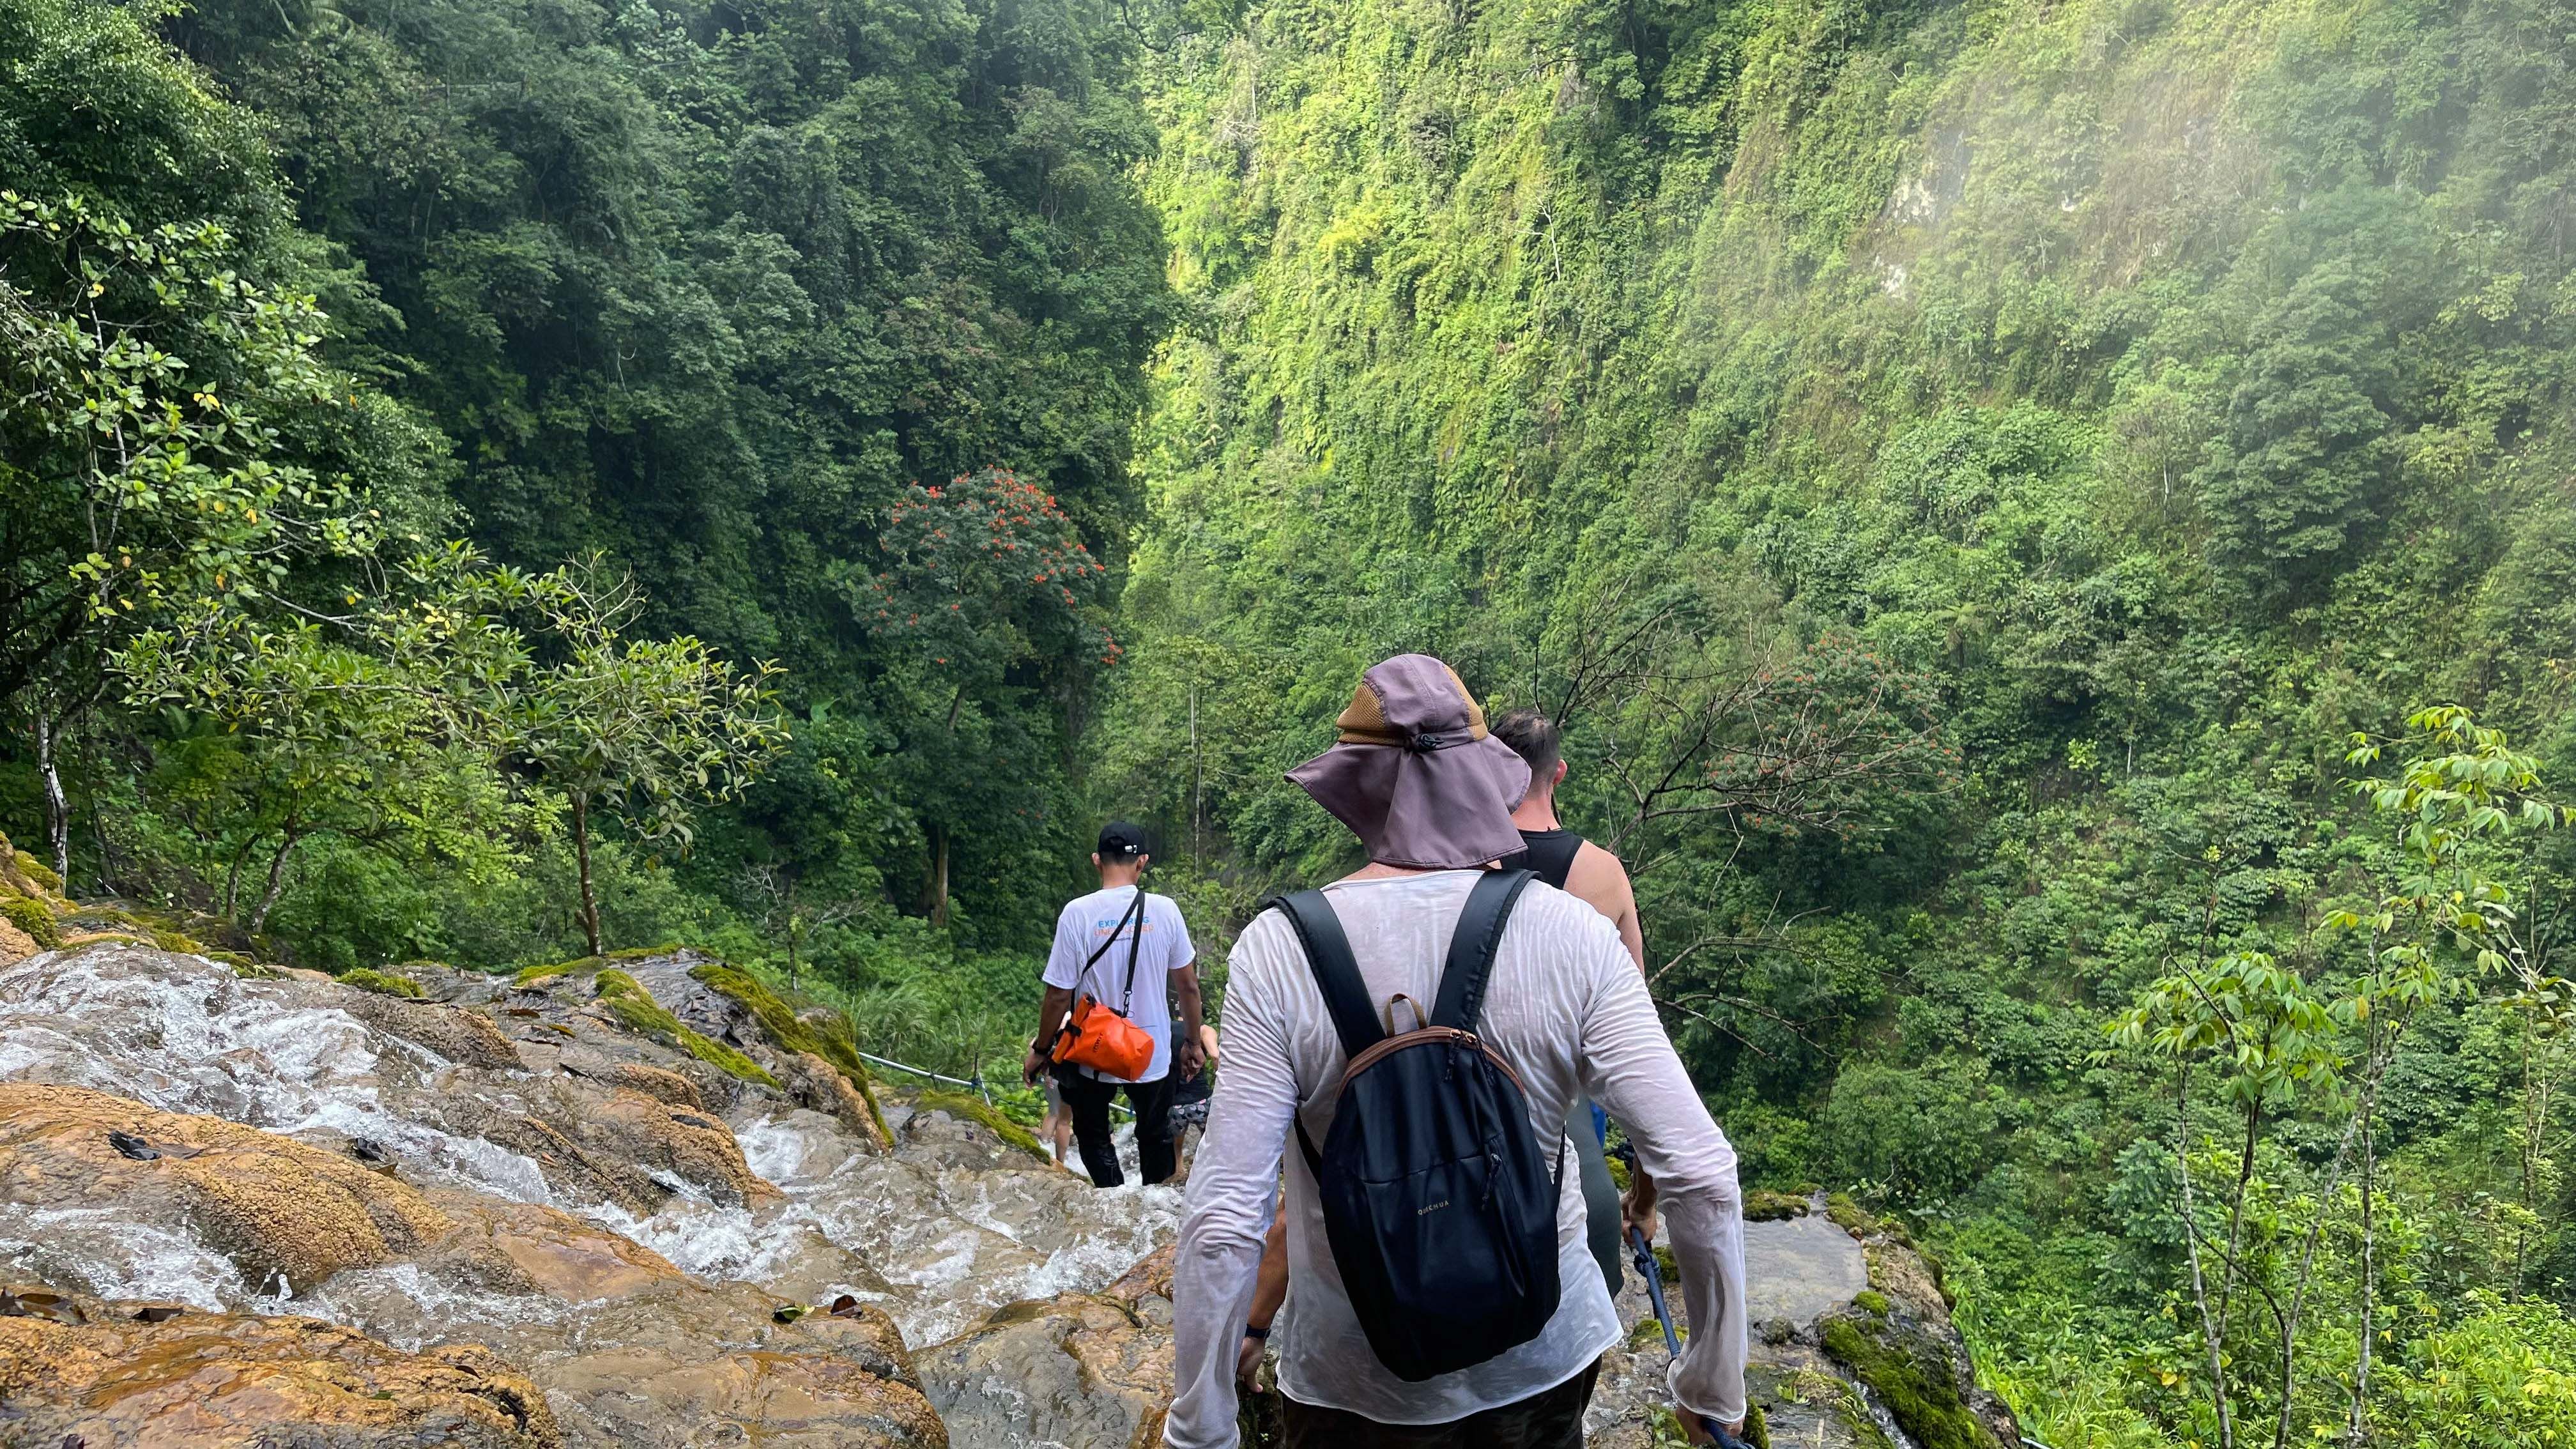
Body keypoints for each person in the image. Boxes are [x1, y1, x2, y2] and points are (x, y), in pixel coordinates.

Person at [1169, 654, 1747, 1448]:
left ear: (1357, 789)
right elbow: (1702, 1172)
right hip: (1542, 1361)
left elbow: (1226, 1216)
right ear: (1482, 778)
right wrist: (1712, 1382)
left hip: (1352, 1384)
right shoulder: (1572, 934)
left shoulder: (1282, 950)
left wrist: (1201, 1426)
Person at [1491, 707, 1660, 1297]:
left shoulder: (1458, 864)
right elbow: (1639, 1032)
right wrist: (1643, 1200)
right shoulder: (1604, 875)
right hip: (1570, 1092)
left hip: (1471, 1092)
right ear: (1557, 773)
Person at [1023, 822, 1205, 1188]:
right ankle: (1151, 1208)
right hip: (1150, 1050)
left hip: (1093, 1049)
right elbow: (1188, 986)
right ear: (1142, 863)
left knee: (1094, 1137)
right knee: (1155, 1136)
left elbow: (1058, 994)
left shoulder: (1077, 913)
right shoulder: (1166, 911)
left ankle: (1113, 1196)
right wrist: (1192, 1042)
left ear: (1096, 861)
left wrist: (1042, 1049)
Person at [1169, 1023, 1222, 1172]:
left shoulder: (1165, 1029)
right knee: (1211, 1147)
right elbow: (1216, 1056)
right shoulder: (1202, 1030)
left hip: (1175, 1106)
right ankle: (1202, 1174)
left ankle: (1179, 1176)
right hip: (1202, 1102)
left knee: (1176, 1155)